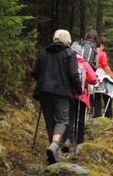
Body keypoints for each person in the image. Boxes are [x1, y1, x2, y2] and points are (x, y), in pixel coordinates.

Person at [31, 29, 82, 164]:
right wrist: (79, 88)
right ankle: (54, 146)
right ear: (67, 41)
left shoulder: (44, 53)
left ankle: (53, 151)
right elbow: (73, 74)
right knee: (62, 120)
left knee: (49, 122)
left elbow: (35, 72)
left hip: (44, 91)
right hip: (62, 91)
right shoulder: (69, 53)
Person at [62, 44, 98, 152]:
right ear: (81, 53)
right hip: (81, 96)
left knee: (68, 118)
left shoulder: (65, 62)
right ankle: (79, 142)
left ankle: (67, 140)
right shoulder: (84, 63)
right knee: (80, 118)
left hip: (68, 95)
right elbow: (94, 80)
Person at [94, 38, 113, 118]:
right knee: (107, 94)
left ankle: (96, 115)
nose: (104, 47)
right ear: (101, 44)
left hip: (93, 74)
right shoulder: (102, 54)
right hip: (101, 74)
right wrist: (111, 75)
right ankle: (108, 114)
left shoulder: (92, 52)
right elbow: (105, 66)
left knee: (96, 96)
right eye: (103, 45)